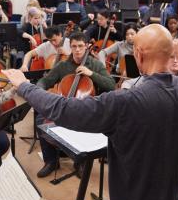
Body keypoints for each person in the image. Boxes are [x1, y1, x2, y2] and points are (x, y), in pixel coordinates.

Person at [2, 24, 178, 200]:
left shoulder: (126, 102)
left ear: (139, 54)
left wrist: (25, 86)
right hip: (167, 199)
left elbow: (63, 109)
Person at [22, 32, 115, 177]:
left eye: (80, 46)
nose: (77, 50)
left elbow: (111, 85)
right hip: (64, 106)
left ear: (86, 46)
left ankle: (81, 162)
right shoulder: (63, 65)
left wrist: (91, 74)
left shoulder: (95, 65)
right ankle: (51, 161)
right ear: (70, 47)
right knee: (41, 118)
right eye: (74, 46)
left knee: (85, 125)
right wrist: (39, 92)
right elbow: (45, 81)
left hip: (86, 109)